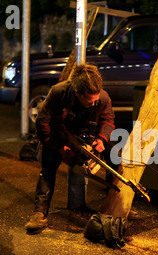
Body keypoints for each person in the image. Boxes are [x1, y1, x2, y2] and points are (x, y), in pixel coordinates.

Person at [25, 64, 115, 233]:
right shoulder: (58, 92)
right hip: (58, 135)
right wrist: (58, 147)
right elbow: (42, 122)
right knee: (48, 169)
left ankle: (114, 206)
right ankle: (39, 213)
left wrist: (102, 139)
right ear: (77, 93)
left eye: (96, 99)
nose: (94, 102)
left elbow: (108, 118)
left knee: (114, 153)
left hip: (85, 135)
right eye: (90, 100)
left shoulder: (102, 97)